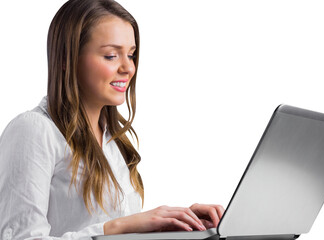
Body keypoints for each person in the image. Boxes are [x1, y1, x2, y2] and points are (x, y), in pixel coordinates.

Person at [0, 0, 224, 239]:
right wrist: (119, 227)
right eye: (110, 55)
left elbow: (107, 225)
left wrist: (169, 224)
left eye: (131, 54)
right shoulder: (33, 130)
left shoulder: (113, 140)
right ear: (66, 58)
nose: (129, 68)